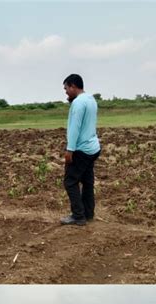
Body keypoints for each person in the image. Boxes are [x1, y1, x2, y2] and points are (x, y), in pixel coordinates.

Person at [61, 74, 101, 226]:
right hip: (93, 148)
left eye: (66, 89)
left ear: (73, 86)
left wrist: (69, 150)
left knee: (70, 182)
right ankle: (88, 213)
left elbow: (74, 128)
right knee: (87, 181)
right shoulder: (91, 99)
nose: (65, 92)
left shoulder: (78, 103)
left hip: (81, 150)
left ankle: (78, 216)